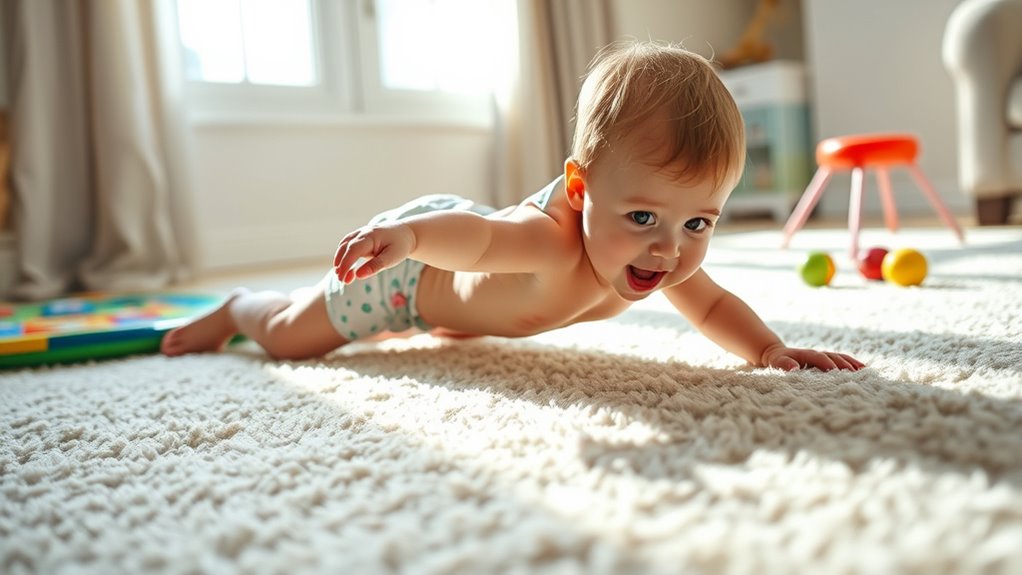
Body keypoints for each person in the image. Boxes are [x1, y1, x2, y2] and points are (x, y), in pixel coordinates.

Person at [161, 41, 864, 372]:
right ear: (582, 190)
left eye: (698, 222)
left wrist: (771, 349)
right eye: (644, 218)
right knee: (290, 339)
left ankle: (451, 319)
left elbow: (710, 305)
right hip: (411, 269)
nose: (669, 250)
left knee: (463, 321)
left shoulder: (667, 255)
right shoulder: (551, 238)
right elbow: (479, 242)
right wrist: (406, 238)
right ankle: (237, 305)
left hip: (458, 287)